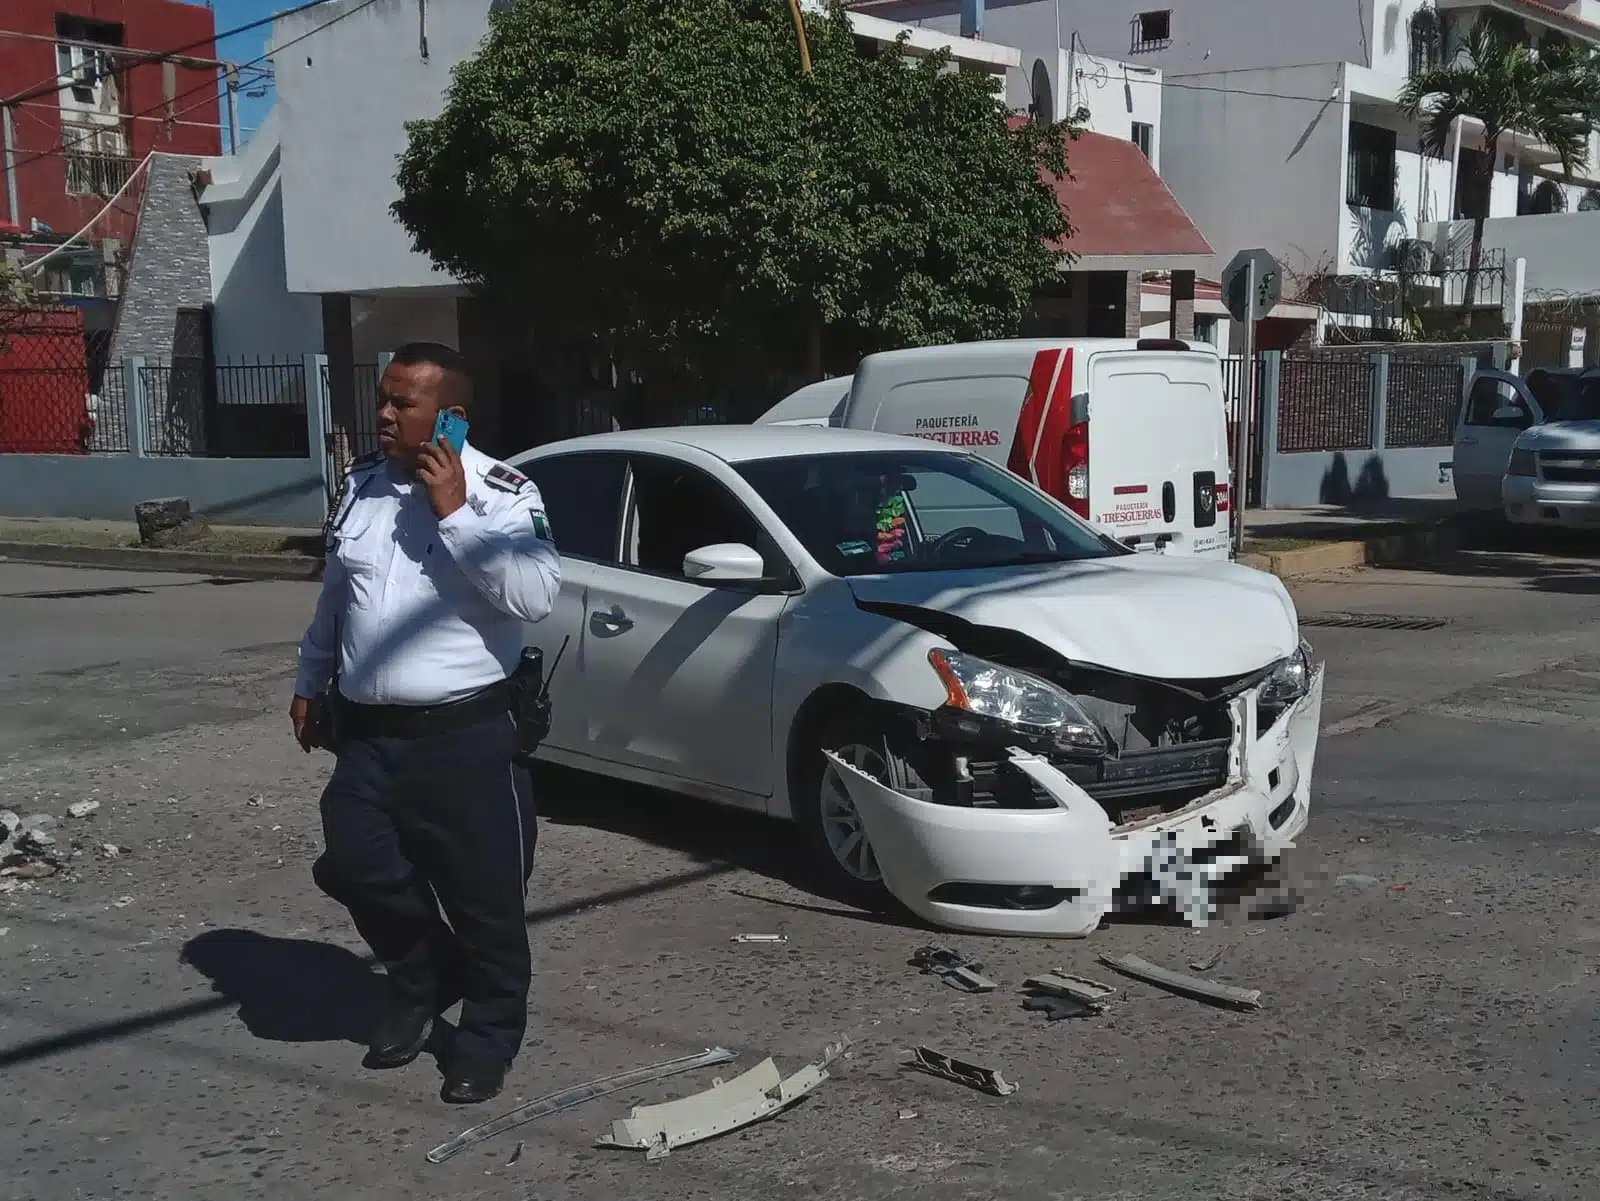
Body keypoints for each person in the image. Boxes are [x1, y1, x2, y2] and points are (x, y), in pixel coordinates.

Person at [290, 341, 561, 1104]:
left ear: (450, 416)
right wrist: (312, 676)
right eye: (383, 397)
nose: (382, 413)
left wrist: (456, 516)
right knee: (352, 860)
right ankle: (424, 977)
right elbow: (337, 596)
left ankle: (486, 1037)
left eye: (401, 402)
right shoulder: (364, 485)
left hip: (467, 737)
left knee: (487, 901)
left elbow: (535, 594)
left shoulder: (503, 491)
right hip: (372, 735)